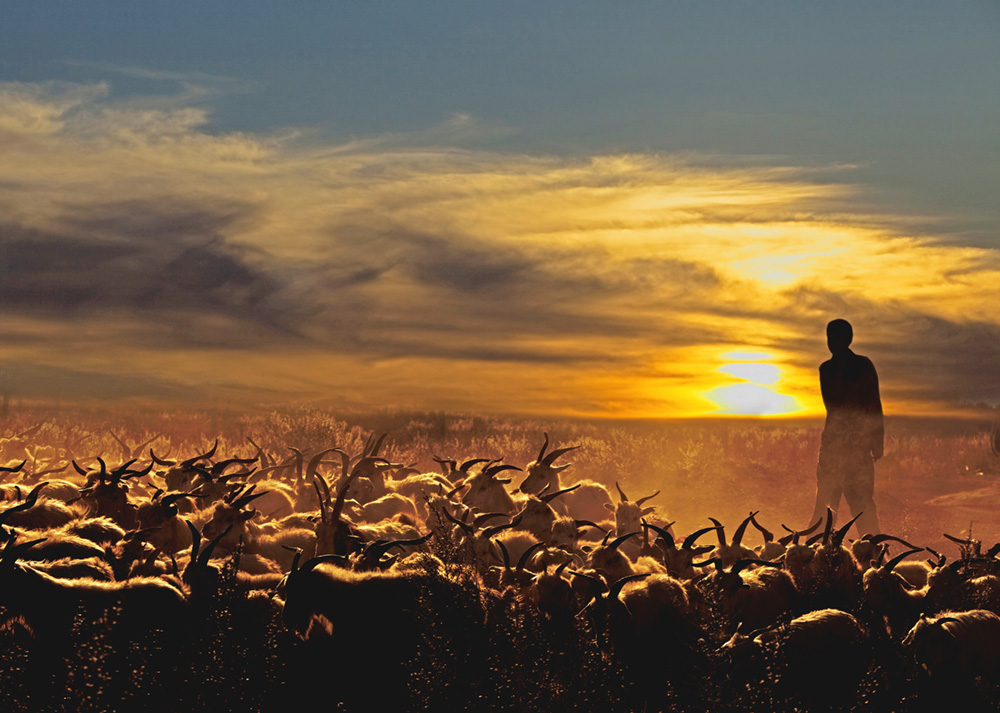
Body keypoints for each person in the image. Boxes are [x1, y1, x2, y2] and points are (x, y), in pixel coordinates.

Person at [810, 319, 883, 536]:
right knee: (824, 506)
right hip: (833, 448)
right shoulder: (827, 369)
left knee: (862, 506)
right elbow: (833, 405)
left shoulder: (863, 365)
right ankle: (816, 559)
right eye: (829, 338)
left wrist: (876, 441)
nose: (832, 342)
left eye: (838, 337)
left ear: (848, 339)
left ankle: (873, 557)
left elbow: (874, 404)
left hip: (858, 448)